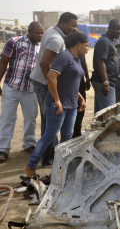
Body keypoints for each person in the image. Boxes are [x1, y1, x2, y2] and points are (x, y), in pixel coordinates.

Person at [24, 32, 88, 177]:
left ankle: (62, 168)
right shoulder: (64, 56)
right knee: (50, 135)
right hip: (58, 105)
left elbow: (70, 82)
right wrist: (57, 100)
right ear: (78, 44)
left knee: (67, 137)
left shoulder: (77, 58)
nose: (88, 48)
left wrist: (80, 98)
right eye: (86, 45)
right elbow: (51, 78)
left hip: (71, 105)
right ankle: (30, 166)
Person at [29, 12, 78, 167]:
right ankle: (48, 159)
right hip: (44, 82)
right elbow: (45, 64)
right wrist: (52, 86)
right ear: (63, 24)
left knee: (49, 118)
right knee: (49, 119)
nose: (75, 29)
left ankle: (50, 156)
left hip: (43, 80)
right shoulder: (57, 39)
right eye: (73, 25)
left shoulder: (54, 30)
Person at [0, 22, 44, 161]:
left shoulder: (42, 46)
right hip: (11, 86)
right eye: (38, 33)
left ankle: (29, 143)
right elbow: (3, 62)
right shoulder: (13, 42)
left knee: (31, 118)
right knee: (7, 118)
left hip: (31, 89)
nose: (41, 35)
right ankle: (3, 149)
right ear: (29, 31)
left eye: (42, 33)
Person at [91, 19, 120, 113]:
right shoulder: (104, 42)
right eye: (116, 29)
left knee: (101, 114)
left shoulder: (110, 41)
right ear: (109, 28)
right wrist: (105, 82)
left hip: (108, 82)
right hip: (104, 82)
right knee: (109, 115)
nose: (119, 32)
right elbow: (100, 62)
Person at [72, 54, 90, 138]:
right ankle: (71, 137)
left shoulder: (81, 52)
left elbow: (84, 62)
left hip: (81, 84)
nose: (87, 48)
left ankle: (77, 135)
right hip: (71, 84)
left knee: (80, 111)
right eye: (86, 45)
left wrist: (87, 78)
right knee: (72, 112)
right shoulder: (68, 52)